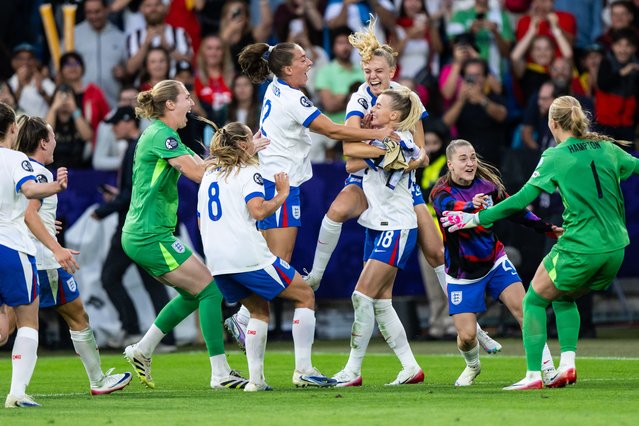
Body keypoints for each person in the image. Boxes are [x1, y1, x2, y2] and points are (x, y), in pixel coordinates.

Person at [303, 18, 502, 353]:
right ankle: (316, 277)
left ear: (392, 70)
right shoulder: (360, 99)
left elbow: (422, 155)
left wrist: (401, 158)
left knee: (437, 252)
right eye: (367, 70)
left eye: (378, 70)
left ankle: (474, 329)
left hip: (403, 186)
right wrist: (386, 149)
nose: (372, 76)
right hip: (367, 180)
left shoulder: (408, 99)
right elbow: (350, 154)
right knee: (336, 210)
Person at [440, 96, 639, 390]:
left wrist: (474, 219)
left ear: (552, 122)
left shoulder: (555, 156)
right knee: (563, 296)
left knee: (533, 301)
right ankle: (567, 366)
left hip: (580, 247)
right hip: (616, 250)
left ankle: (534, 375)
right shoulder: (607, 147)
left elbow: (519, 202)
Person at [224, 38, 400, 349]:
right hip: (278, 183)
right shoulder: (293, 98)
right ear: (288, 68)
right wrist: (377, 133)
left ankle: (244, 317)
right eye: (304, 59)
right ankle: (242, 317)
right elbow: (331, 130)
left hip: (271, 178)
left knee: (273, 259)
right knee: (279, 262)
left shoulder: (276, 87)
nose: (310, 64)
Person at [121, 80, 252, 390]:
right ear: (170, 105)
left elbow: (201, 165)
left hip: (148, 232)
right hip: (150, 234)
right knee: (211, 290)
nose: (191, 104)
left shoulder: (162, 135)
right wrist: (237, 154)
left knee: (195, 293)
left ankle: (142, 350)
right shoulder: (162, 136)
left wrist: (242, 151)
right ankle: (220, 373)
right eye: (186, 98)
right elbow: (197, 174)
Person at [198, 121, 336, 390]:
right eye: (251, 138)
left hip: (217, 262)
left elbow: (203, 223)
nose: (255, 143)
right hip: (248, 257)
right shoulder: (250, 172)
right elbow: (259, 211)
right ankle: (304, 370)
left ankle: (256, 381)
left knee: (259, 310)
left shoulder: (209, 175)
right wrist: (283, 194)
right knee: (305, 295)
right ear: (241, 145)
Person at [16, 115, 132, 395]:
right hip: (44, 262)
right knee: (77, 317)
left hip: (19, 258)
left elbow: (20, 214)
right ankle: (98, 380)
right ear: (43, 142)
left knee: (9, 326)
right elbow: (31, 214)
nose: (55, 140)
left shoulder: (16, 169)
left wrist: (42, 222)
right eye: (52, 136)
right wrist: (57, 248)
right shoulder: (41, 174)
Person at [431, 139, 559, 387]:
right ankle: (473, 365)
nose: (470, 163)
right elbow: (450, 209)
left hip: (495, 262)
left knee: (526, 311)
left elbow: (515, 210)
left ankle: (548, 370)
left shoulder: (488, 186)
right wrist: (472, 206)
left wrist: (546, 228)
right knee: (467, 337)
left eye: (472, 157)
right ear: (450, 164)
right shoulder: (441, 192)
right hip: (462, 273)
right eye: (463, 159)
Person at [332, 87, 425, 387]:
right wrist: (377, 142)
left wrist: (376, 143)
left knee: (361, 296)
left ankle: (352, 370)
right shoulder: (385, 139)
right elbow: (351, 162)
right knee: (381, 302)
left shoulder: (403, 141)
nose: (371, 109)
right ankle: (410, 367)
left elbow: (349, 151)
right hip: (377, 225)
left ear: (394, 116)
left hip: (395, 227)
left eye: (379, 106)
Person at [0, 102, 68, 408]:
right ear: (13, 128)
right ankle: (17, 393)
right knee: (27, 320)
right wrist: (55, 186)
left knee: (3, 327)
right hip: (12, 247)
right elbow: (29, 191)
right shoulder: (17, 159)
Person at [91, 106, 174, 349]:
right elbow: (134, 190)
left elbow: (129, 193)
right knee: (152, 282)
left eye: (117, 122)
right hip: (144, 224)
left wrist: (103, 210)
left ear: (129, 122)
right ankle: (164, 337)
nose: (114, 127)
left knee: (110, 277)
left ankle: (131, 328)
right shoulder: (138, 146)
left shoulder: (134, 147)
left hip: (132, 227)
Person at [74, 0, 127, 108]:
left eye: (97, 11)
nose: (93, 16)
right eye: (89, 12)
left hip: (112, 103)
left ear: (106, 10)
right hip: (83, 104)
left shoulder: (119, 36)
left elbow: (128, 70)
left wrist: (123, 73)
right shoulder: (73, 35)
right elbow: (59, 67)